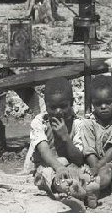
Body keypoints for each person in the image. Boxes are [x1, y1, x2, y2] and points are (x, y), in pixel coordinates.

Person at [24, 77, 89, 211]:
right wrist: (58, 167)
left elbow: (78, 158)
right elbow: (43, 150)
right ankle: (65, 191)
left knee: (78, 169)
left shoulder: (78, 124)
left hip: (67, 164)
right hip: (44, 164)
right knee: (47, 174)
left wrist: (66, 137)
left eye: (63, 106)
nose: (58, 111)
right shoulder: (39, 122)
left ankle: (75, 190)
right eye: (53, 107)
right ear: (46, 105)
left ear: (71, 103)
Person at [81, 75, 112, 208]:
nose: (103, 107)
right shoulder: (87, 123)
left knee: (109, 170)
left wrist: (98, 167)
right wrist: (94, 167)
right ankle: (88, 188)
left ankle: (93, 188)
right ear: (92, 102)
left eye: (108, 102)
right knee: (80, 171)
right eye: (98, 104)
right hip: (91, 162)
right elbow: (89, 149)